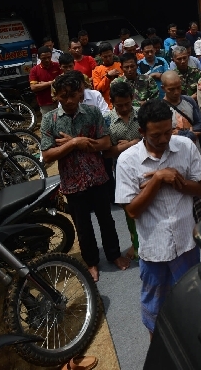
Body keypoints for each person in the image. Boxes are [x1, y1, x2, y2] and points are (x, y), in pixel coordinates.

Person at [115, 100, 201, 337]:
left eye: (169, 131)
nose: (165, 139)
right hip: (153, 249)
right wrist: (157, 181)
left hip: (187, 243)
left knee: (192, 300)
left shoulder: (185, 146)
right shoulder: (127, 161)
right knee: (154, 310)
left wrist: (175, 180)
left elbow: (199, 189)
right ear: (142, 132)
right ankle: (159, 350)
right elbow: (133, 211)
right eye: (156, 135)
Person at [40, 71, 129, 283]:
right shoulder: (49, 120)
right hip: (72, 182)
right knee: (83, 225)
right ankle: (91, 262)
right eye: (63, 96)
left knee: (106, 219)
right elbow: (47, 155)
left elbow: (106, 143)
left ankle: (114, 254)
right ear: (56, 96)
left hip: (98, 176)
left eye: (73, 94)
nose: (69, 100)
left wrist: (80, 141)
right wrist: (73, 144)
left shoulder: (92, 113)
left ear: (81, 92)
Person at [105, 81, 143, 261]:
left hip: (146, 167)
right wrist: (130, 144)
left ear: (132, 99)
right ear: (112, 102)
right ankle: (136, 245)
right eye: (119, 105)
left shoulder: (142, 113)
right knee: (130, 208)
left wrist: (128, 144)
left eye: (127, 103)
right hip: (122, 172)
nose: (124, 108)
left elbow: (150, 137)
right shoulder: (107, 121)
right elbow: (107, 152)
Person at [161, 71, 201, 145]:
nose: (176, 92)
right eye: (171, 89)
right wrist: (191, 133)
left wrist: (180, 133)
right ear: (163, 88)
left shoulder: (189, 101)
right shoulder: (160, 108)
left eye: (178, 87)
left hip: (194, 149)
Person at [30, 46, 63, 115]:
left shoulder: (58, 66)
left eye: (49, 57)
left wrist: (42, 84)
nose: (47, 60)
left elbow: (63, 80)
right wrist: (52, 82)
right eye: (44, 58)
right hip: (45, 104)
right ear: (39, 58)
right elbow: (33, 87)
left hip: (60, 101)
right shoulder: (34, 70)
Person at [92, 43, 123, 108]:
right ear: (100, 56)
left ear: (113, 54)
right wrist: (108, 76)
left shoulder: (120, 66)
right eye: (105, 57)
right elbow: (98, 90)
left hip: (122, 102)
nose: (108, 58)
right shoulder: (96, 70)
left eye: (110, 55)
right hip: (106, 106)